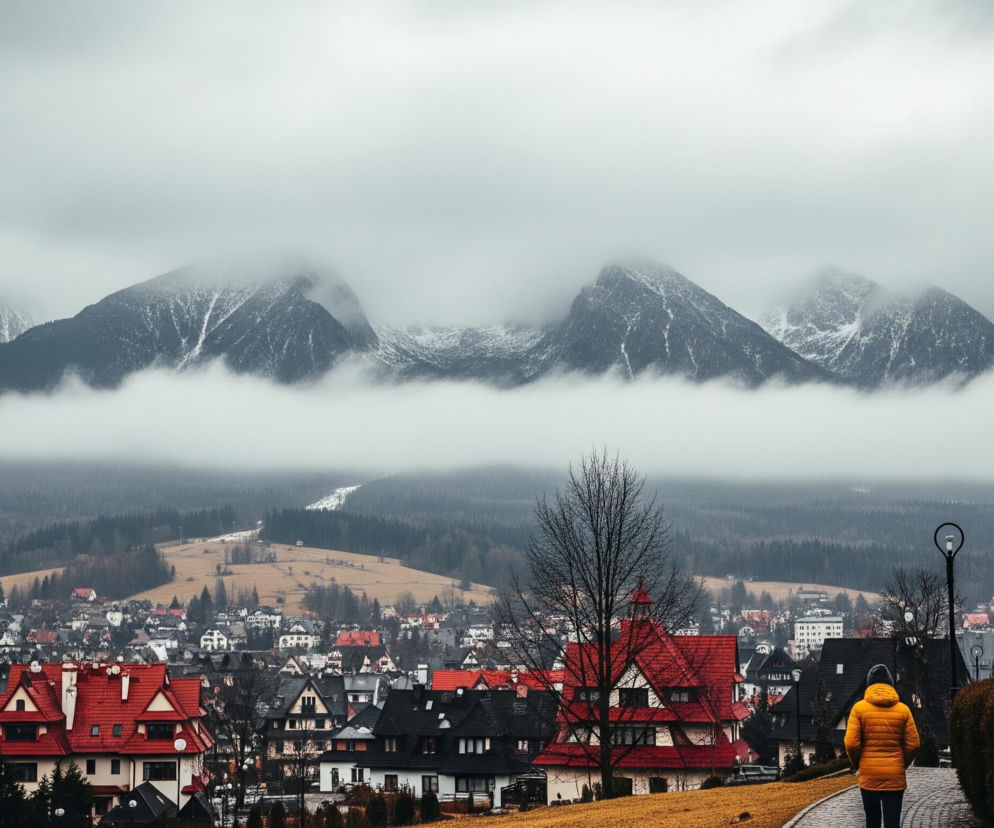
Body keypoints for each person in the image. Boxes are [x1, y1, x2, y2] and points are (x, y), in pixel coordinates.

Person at [844, 663, 920, 828]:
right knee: (893, 822)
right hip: (894, 775)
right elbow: (914, 744)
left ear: (869, 684)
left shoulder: (858, 709)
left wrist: (857, 763)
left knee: (872, 821)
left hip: (869, 775)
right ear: (891, 684)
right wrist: (901, 763)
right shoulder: (904, 710)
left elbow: (851, 743)